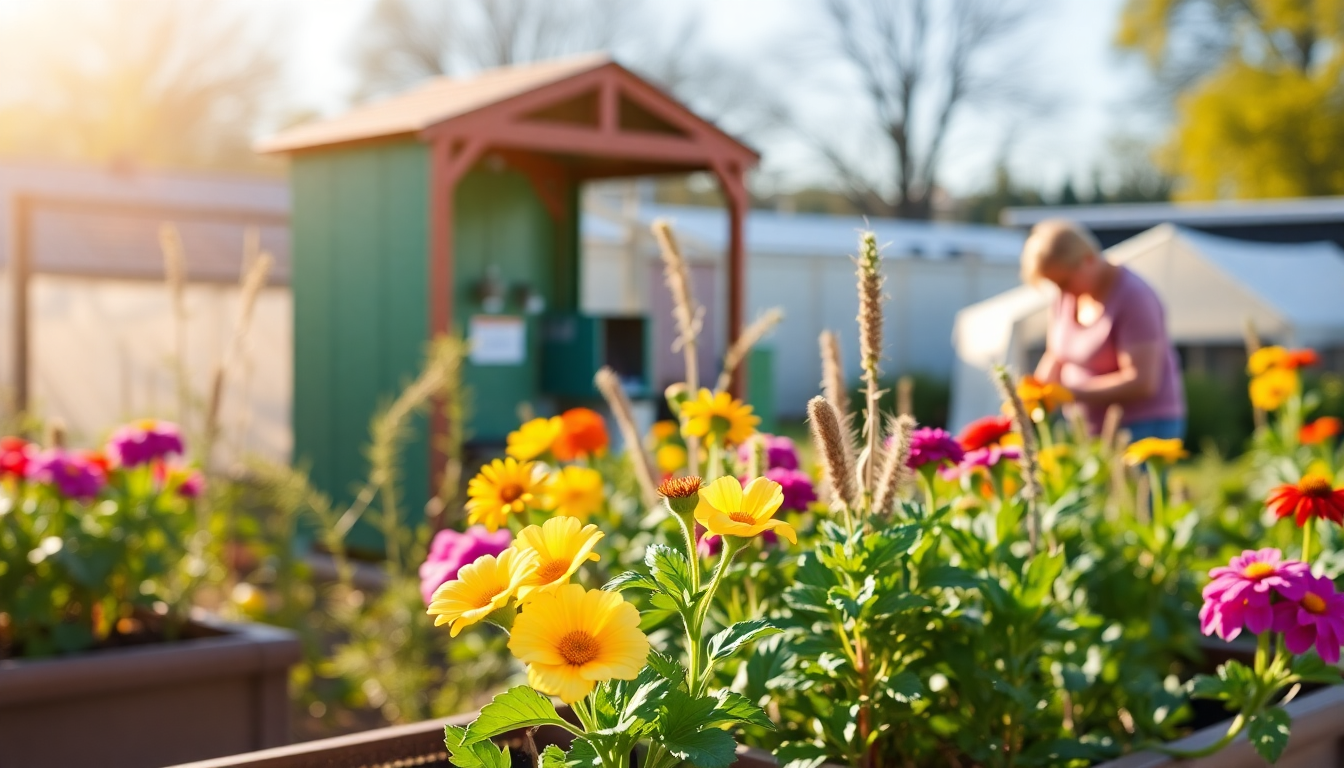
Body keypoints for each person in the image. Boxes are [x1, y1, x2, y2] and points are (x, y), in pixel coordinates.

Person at [1021, 219, 1185, 441]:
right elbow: (1056, 355)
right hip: (1085, 429)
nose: (1061, 291)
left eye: (1064, 282)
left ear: (1088, 260)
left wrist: (1068, 393)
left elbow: (1143, 382)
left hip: (1140, 428)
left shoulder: (1134, 298)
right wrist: (1035, 395)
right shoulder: (1066, 296)